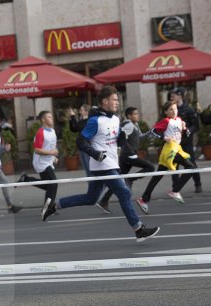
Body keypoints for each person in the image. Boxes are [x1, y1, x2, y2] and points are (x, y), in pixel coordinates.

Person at [41, 86, 160, 242]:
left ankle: (54, 206)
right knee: (124, 193)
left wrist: (123, 139)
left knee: (91, 198)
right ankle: (138, 229)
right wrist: (96, 154)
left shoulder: (116, 119)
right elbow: (81, 142)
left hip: (111, 163)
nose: (118, 102)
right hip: (102, 165)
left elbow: (115, 141)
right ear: (105, 101)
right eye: (115, 100)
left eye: (118, 100)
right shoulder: (95, 121)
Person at [135, 101, 196, 214]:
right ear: (166, 112)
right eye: (171, 109)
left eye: (175, 109)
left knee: (158, 176)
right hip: (170, 151)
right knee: (191, 167)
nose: (174, 111)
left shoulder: (178, 120)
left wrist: (185, 130)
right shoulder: (166, 121)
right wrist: (164, 137)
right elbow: (153, 131)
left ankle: (144, 199)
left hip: (176, 149)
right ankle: (175, 190)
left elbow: (185, 133)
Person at [96, 107, 155, 214]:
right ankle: (130, 180)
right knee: (150, 167)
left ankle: (104, 201)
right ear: (129, 116)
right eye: (135, 114)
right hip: (128, 155)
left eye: (137, 113)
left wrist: (149, 133)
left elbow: (139, 137)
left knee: (118, 180)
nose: (137, 115)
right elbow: (119, 134)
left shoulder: (135, 125)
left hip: (127, 155)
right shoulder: (128, 125)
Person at [16, 111, 59, 219]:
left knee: (49, 186)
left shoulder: (52, 131)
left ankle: (26, 179)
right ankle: (48, 208)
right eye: (49, 117)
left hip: (48, 161)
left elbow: (50, 147)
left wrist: (53, 157)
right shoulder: (41, 133)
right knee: (53, 183)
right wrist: (51, 154)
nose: (52, 118)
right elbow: (37, 150)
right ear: (43, 120)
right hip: (41, 163)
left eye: (52, 116)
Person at [170, 87, 202, 193]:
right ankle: (176, 187)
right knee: (174, 164)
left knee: (191, 163)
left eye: (174, 95)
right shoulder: (170, 109)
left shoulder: (189, 109)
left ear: (180, 96)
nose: (172, 96)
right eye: (172, 95)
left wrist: (188, 131)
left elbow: (196, 125)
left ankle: (198, 184)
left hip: (186, 142)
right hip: (174, 142)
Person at [69, 104, 92, 177]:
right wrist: (70, 120)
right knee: (86, 167)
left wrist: (73, 116)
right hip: (82, 147)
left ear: (86, 112)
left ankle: (93, 184)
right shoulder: (82, 120)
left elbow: (78, 127)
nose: (80, 112)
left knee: (89, 168)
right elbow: (74, 129)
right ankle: (91, 184)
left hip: (87, 147)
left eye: (81, 110)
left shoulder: (88, 121)